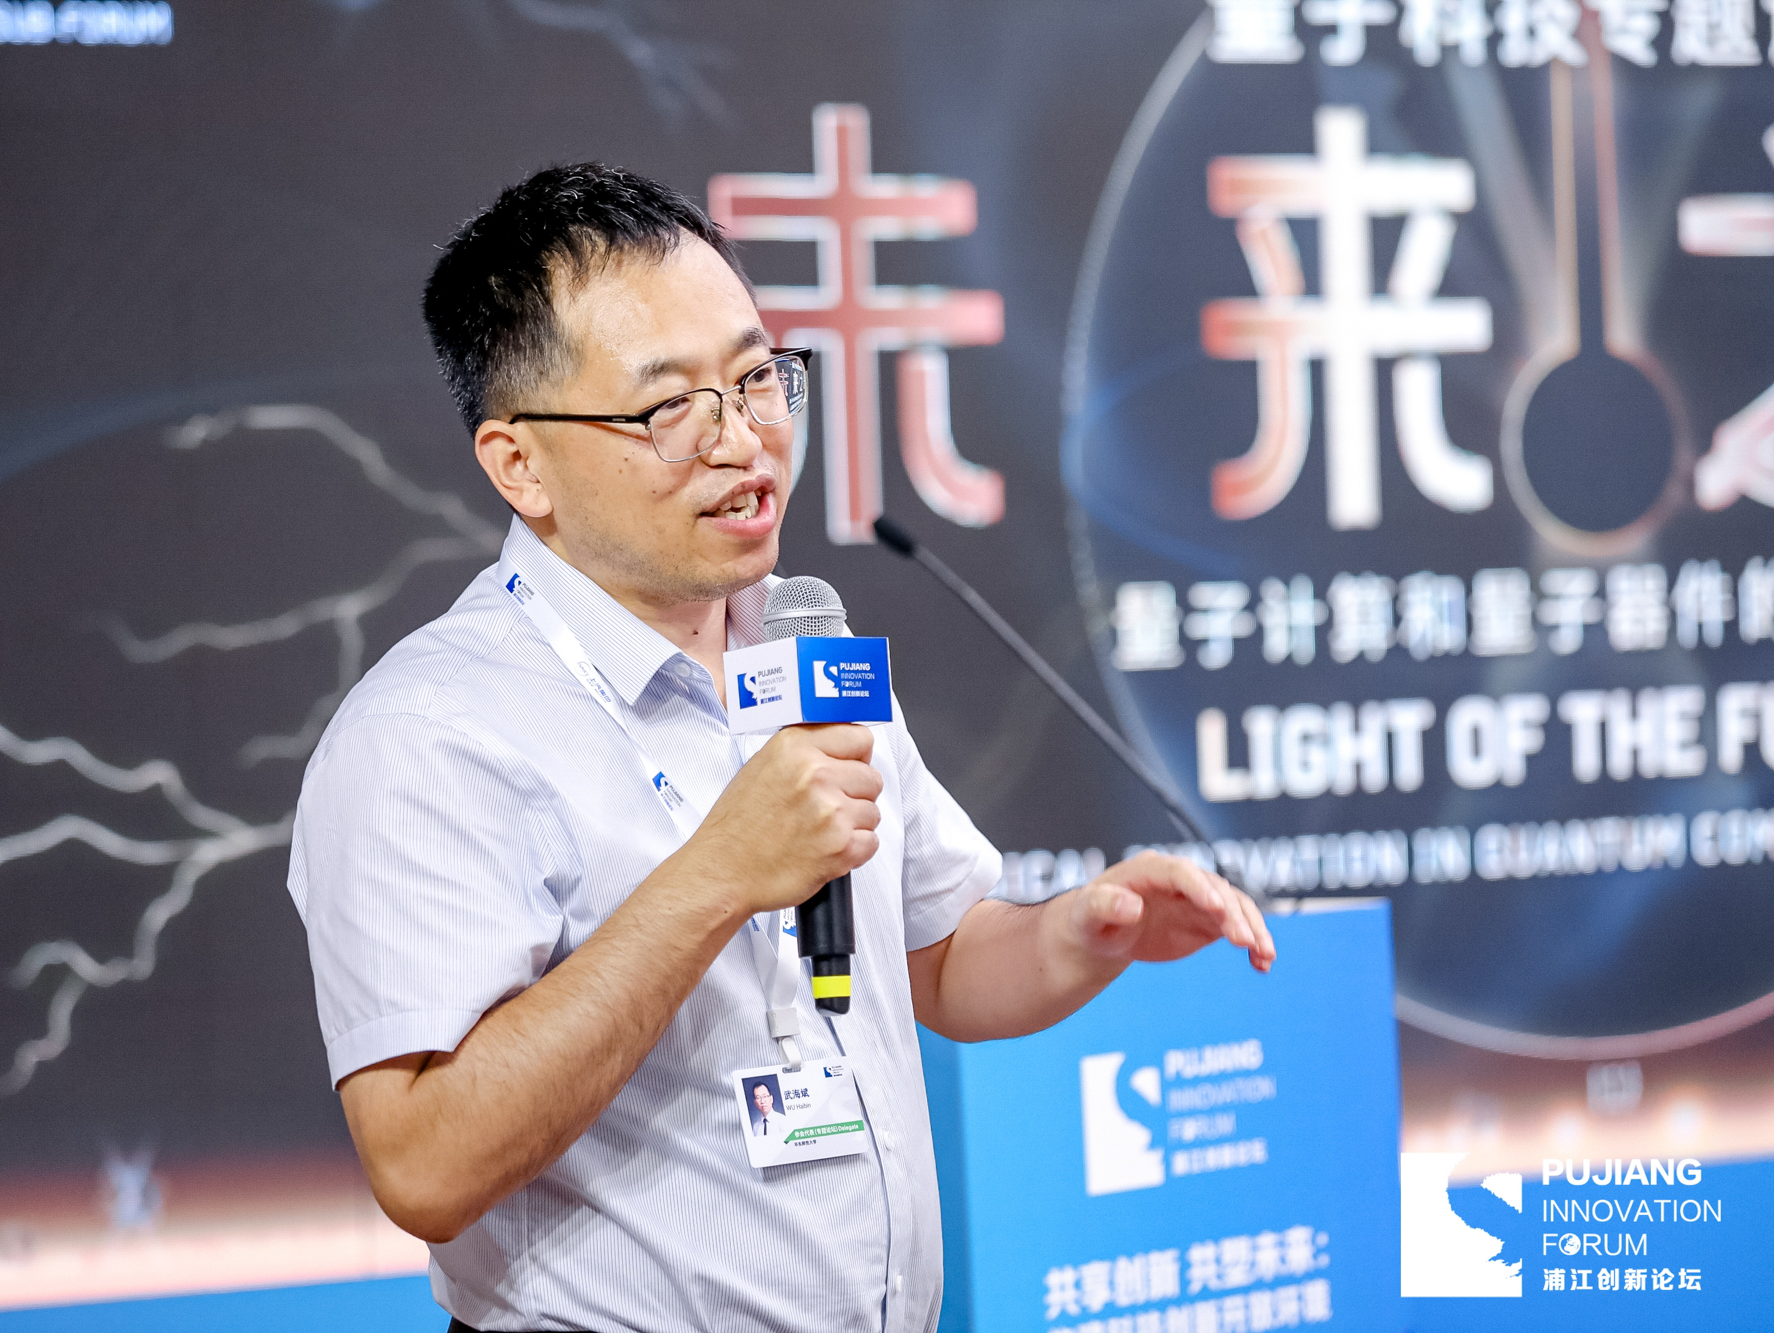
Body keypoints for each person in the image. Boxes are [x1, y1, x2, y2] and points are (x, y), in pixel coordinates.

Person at [288, 162, 1274, 1333]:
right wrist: (716, 875)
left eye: (756, 378)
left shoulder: (802, 640)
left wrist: (1080, 932)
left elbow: (937, 959)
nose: (744, 438)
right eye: (668, 406)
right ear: (520, 464)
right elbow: (424, 1164)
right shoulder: (429, 734)